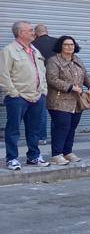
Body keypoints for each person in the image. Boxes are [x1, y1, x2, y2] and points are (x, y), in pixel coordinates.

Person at [2, 21, 50, 170]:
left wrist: (43, 91)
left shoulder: (34, 50)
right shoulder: (9, 51)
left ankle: (34, 157)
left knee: (34, 129)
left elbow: (41, 71)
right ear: (20, 33)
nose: (33, 32)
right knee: (13, 129)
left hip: (37, 96)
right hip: (18, 98)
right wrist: (13, 93)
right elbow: (3, 75)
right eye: (30, 30)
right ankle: (12, 159)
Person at [44, 35, 90, 165]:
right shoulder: (53, 61)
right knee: (62, 127)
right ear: (60, 46)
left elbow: (85, 75)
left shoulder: (77, 59)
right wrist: (70, 87)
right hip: (59, 100)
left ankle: (67, 152)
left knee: (72, 127)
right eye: (66, 44)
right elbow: (52, 79)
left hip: (76, 101)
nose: (69, 47)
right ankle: (56, 154)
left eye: (72, 44)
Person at [32, 24, 56, 145]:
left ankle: (42, 137)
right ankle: (56, 136)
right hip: (58, 81)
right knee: (58, 109)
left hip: (41, 80)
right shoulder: (58, 42)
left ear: (35, 34)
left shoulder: (33, 45)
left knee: (41, 110)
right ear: (47, 31)